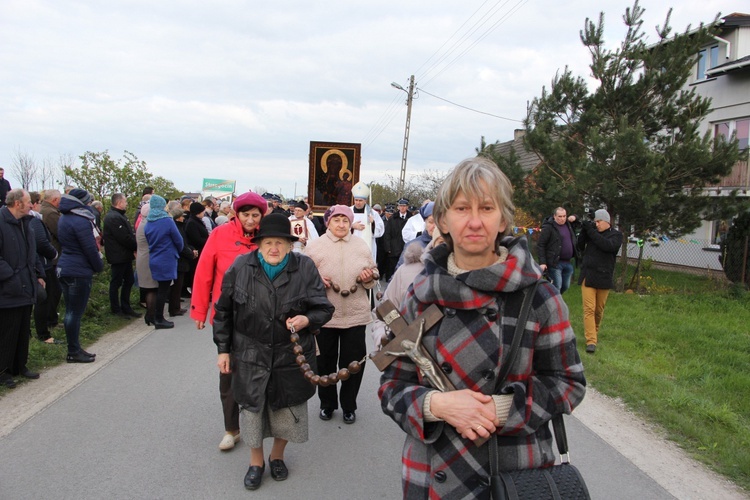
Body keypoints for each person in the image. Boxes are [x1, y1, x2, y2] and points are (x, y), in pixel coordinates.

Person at [378, 157, 586, 498]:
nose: (474, 222)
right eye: (462, 208)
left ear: (503, 218)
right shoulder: (421, 294)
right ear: (442, 220)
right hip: (433, 473)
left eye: (486, 208)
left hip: (516, 477)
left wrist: (497, 409)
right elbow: (392, 386)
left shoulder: (538, 297)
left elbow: (568, 383)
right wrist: (437, 405)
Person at [212, 213, 334, 491]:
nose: (274, 248)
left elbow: (324, 308)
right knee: (254, 412)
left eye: (280, 242)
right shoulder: (241, 266)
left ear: (291, 245)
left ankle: (277, 455)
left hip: (290, 356)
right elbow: (223, 312)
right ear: (258, 244)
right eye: (268, 242)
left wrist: (307, 319)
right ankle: (256, 462)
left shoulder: (304, 268)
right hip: (250, 353)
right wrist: (223, 350)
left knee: (288, 411)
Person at [191, 191, 268, 451]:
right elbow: (204, 273)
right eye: (245, 214)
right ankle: (231, 429)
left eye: (255, 215)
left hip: (261, 317)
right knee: (229, 372)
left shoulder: (267, 238)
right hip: (229, 316)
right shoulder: (219, 235)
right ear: (236, 214)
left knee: (263, 370)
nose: (250, 219)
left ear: (262, 216)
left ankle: (261, 424)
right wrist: (200, 310)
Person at [304, 205, 379, 424]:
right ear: (328, 222)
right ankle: (327, 404)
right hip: (324, 316)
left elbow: (373, 273)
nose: (341, 224)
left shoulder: (361, 245)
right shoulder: (315, 247)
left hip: (355, 314)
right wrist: (316, 279)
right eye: (336, 220)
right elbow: (304, 278)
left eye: (345, 220)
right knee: (325, 363)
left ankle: (349, 405)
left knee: (353, 363)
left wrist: (368, 278)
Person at [0, 189, 44, 388]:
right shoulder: (1, 223)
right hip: (8, 288)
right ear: (17, 203)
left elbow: (32, 253)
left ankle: (20, 365)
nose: (31, 204)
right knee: (8, 331)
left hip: (27, 284)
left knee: (23, 328)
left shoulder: (26, 224)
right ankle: (4, 371)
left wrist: (39, 273)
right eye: (28, 202)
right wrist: (12, 276)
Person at [57, 188, 104, 363]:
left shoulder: (64, 217)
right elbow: (89, 248)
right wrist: (98, 265)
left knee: (70, 311)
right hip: (78, 270)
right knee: (74, 313)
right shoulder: (81, 220)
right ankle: (73, 350)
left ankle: (75, 347)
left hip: (66, 266)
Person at [577, 209, 623, 353]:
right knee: (589, 309)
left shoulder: (616, 235)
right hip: (588, 275)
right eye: (595, 222)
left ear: (606, 221)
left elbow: (606, 246)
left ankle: (594, 331)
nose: (596, 224)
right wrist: (585, 229)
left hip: (603, 276)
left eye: (598, 222)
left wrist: (591, 231)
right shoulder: (592, 232)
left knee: (598, 310)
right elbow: (579, 245)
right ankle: (591, 341)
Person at [144, 195, 182, 330]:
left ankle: (153, 316)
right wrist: (177, 250)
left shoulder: (148, 222)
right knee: (163, 290)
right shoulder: (167, 221)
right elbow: (178, 240)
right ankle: (159, 318)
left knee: (159, 288)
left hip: (154, 257)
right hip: (166, 258)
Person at [28, 192, 60, 343]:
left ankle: (42, 328)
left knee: (47, 296)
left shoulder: (32, 220)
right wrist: (53, 253)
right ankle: (43, 332)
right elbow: (41, 242)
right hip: (43, 263)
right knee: (44, 297)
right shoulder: (34, 220)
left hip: (41, 263)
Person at [103, 193, 140, 318]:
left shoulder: (119, 216)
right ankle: (116, 308)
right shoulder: (114, 217)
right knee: (116, 282)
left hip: (124, 255)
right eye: (125, 202)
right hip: (118, 256)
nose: (127, 204)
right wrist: (136, 246)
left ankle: (126, 306)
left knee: (129, 280)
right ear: (119, 203)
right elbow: (124, 237)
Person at [537, 207, 579, 294]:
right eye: (560, 216)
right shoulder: (549, 227)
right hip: (555, 262)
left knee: (565, 286)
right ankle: (554, 305)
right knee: (557, 286)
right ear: (554, 216)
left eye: (564, 216)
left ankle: (555, 300)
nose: (562, 219)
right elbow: (541, 244)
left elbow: (579, 222)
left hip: (568, 262)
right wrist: (542, 262)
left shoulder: (568, 225)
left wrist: (575, 217)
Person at [39, 189, 63, 337]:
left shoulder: (45, 210)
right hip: (53, 256)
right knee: (54, 290)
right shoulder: (51, 213)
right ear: (54, 200)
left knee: (53, 290)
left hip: (50, 256)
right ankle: (51, 320)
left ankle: (51, 318)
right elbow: (60, 232)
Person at [349, 182, 384, 262]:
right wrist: (352, 226)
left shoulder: (372, 213)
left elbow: (381, 231)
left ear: (365, 201)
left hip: (367, 246)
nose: (357, 202)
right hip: (351, 246)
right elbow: (341, 226)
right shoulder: (348, 211)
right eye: (356, 200)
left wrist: (373, 223)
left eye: (360, 200)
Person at [395, 201, 435, 269]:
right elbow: (398, 274)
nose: (435, 226)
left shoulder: (452, 245)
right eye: (431, 222)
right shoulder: (412, 246)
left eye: (440, 222)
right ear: (425, 222)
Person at [382, 198, 412, 281]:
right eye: (401, 206)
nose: (402, 208)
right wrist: (388, 247)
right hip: (394, 247)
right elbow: (387, 233)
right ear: (398, 207)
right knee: (392, 268)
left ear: (407, 207)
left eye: (404, 206)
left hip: (405, 247)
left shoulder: (411, 218)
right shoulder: (393, 218)